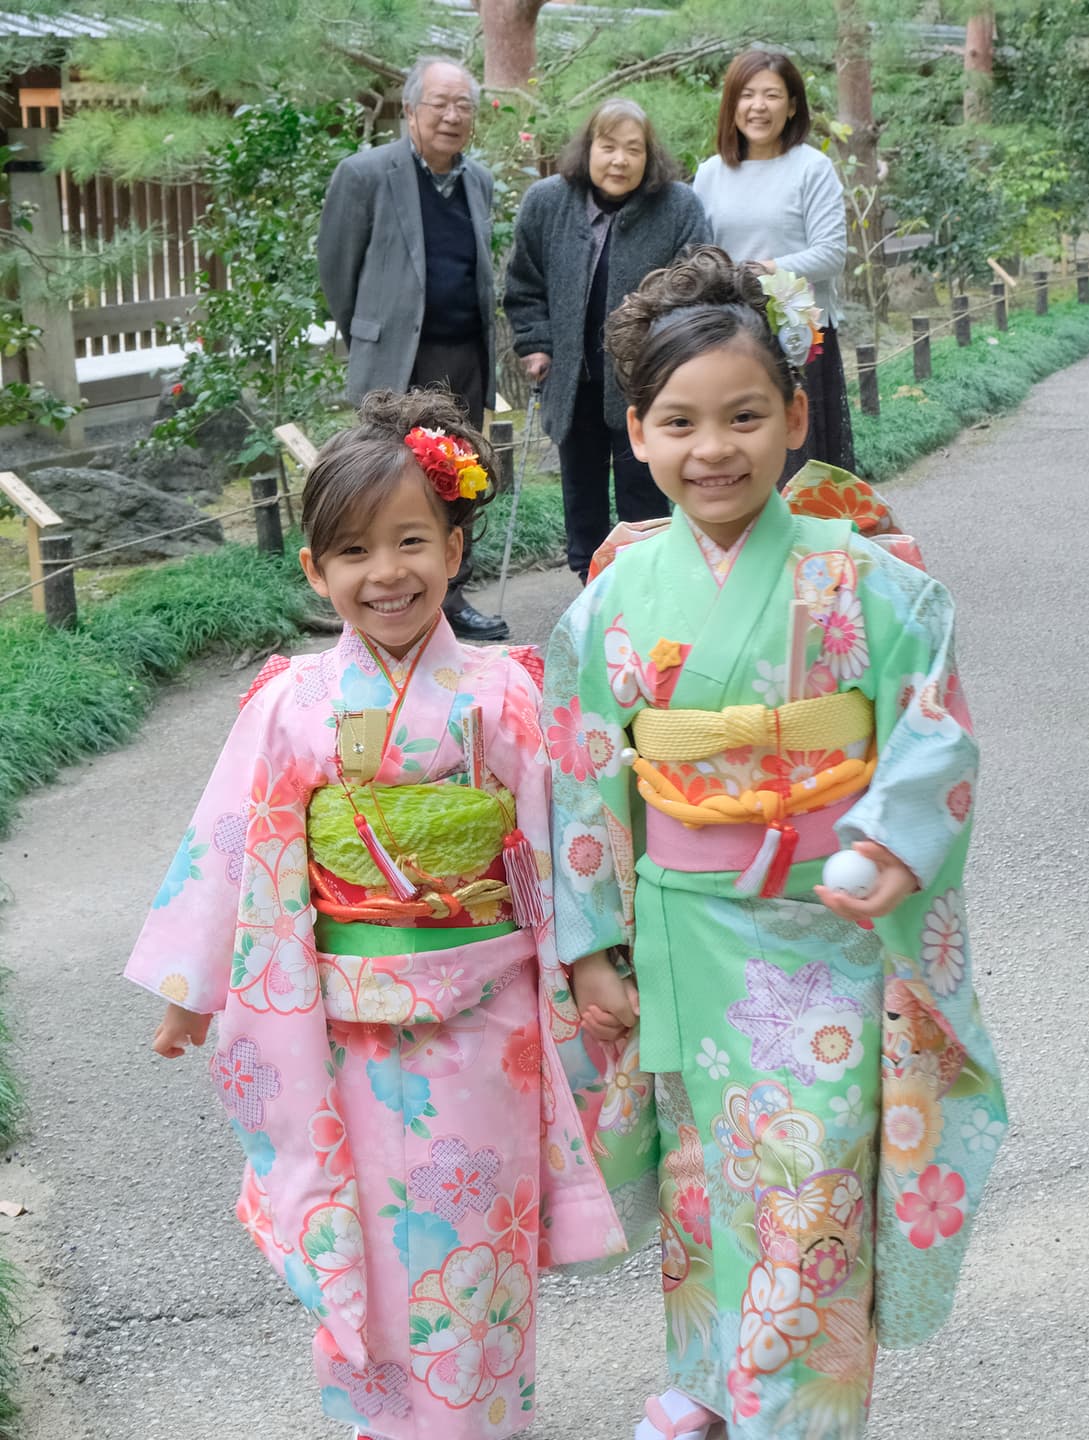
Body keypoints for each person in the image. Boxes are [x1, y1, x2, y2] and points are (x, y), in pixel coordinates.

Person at [543, 249, 1006, 1440]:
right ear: (636, 433)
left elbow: (933, 736)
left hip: (828, 934)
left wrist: (888, 845)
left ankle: (789, 1415)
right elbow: (586, 777)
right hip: (685, 930)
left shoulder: (876, 585)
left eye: (746, 416)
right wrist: (593, 945)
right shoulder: (612, 601)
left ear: (796, 418)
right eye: (682, 422)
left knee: (807, 1190)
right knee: (710, 1180)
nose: (716, 449)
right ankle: (709, 1376)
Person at [125, 389, 624, 1440]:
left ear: (453, 547)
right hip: (345, 1039)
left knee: (476, 1249)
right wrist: (193, 991)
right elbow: (234, 846)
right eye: (352, 551)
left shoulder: (507, 693)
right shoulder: (290, 704)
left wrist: (587, 964)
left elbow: (555, 841)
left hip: (486, 1033)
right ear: (314, 571)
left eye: (409, 542)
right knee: (366, 1248)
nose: (383, 572)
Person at [318, 55, 508, 642]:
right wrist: (372, 336)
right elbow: (337, 270)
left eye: (464, 106)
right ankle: (383, 598)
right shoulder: (366, 174)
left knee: (461, 477)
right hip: (400, 360)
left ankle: (451, 597)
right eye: (439, 104)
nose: (452, 117)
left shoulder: (478, 181)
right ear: (409, 111)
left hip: (465, 357)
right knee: (388, 481)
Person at [504, 98, 711, 580]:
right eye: (608, 146)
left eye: (633, 149)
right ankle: (591, 583)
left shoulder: (679, 205)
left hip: (646, 381)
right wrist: (535, 343)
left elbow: (697, 282)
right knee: (581, 488)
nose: (619, 159)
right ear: (588, 149)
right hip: (572, 378)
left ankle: (650, 582)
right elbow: (524, 283)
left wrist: (670, 357)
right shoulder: (547, 201)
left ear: (649, 158)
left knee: (645, 483)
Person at [694, 49, 855, 478]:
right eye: (747, 95)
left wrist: (764, 270)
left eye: (771, 95)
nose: (758, 107)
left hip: (801, 338)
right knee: (739, 459)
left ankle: (812, 547)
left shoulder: (812, 169)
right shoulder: (710, 173)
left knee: (804, 466)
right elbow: (699, 255)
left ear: (793, 105)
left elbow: (830, 254)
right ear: (732, 104)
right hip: (731, 338)